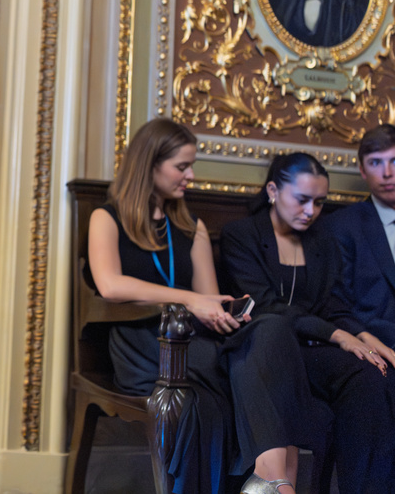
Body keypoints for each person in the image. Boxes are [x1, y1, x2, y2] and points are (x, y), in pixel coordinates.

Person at [89, 119, 326, 494]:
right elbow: (110, 285)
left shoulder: (191, 226)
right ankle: (275, 484)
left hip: (194, 336)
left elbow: (209, 299)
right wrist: (189, 300)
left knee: (273, 329)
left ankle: (271, 478)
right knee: (235, 370)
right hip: (143, 338)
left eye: (191, 165)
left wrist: (224, 311)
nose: (191, 175)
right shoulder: (107, 217)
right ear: (150, 164)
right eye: (182, 167)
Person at [220, 153, 395, 494]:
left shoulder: (323, 240)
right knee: (365, 377)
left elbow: (334, 305)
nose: (311, 211)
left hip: (316, 350)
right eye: (302, 200)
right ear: (273, 190)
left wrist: (367, 338)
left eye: (319, 202)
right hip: (266, 354)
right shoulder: (241, 235)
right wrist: (340, 336)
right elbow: (265, 306)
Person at [323, 124, 395, 400]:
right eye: (375, 163)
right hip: (387, 344)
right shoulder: (341, 227)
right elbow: (338, 306)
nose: (387, 173)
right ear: (362, 170)